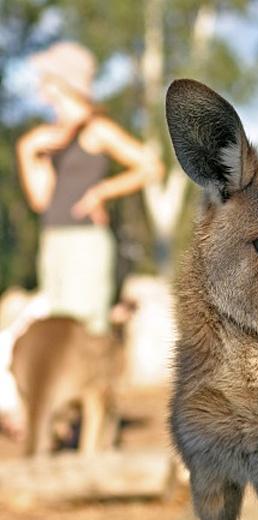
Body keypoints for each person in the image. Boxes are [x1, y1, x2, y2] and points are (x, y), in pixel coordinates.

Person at [16, 41, 163, 335]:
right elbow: (41, 201)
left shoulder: (96, 128)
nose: (39, 82)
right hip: (53, 240)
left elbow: (151, 167)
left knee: (86, 333)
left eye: (44, 75)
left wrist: (101, 192)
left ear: (61, 81)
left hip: (85, 243)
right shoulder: (50, 136)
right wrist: (27, 151)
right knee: (56, 334)